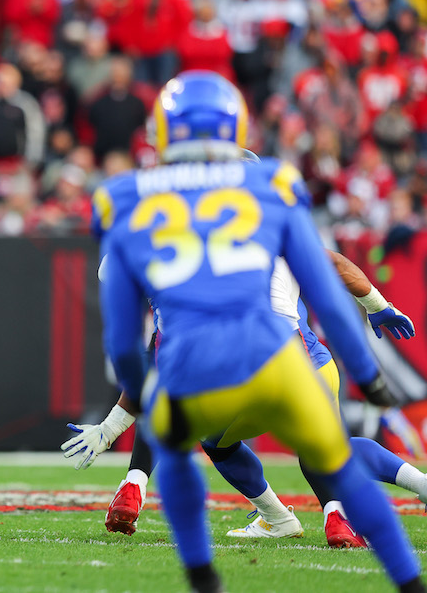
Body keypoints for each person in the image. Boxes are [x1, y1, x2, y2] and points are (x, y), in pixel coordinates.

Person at [91, 71, 422, 591]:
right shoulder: (272, 190)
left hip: (204, 366)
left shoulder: (129, 201)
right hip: (285, 355)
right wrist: (372, 376)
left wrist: (121, 418)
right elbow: (331, 296)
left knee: (177, 439)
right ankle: (405, 575)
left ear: (162, 131)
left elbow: (126, 341)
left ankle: (203, 574)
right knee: (331, 452)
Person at [67, 245, 425, 548]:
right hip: (309, 366)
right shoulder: (258, 227)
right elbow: (334, 263)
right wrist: (378, 305)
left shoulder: (181, 264)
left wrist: (113, 430)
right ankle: (349, 510)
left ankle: (289, 516)